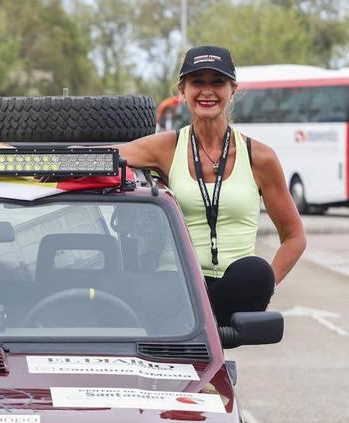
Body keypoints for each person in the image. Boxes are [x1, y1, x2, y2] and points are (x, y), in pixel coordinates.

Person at [119, 45, 306, 326]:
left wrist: (268, 286)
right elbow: (103, 157)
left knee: (256, 272)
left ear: (232, 90)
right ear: (182, 91)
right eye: (197, 82)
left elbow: (294, 237)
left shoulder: (260, 157)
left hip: (237, 285)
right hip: (178, 286)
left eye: (217, 82)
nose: (207, 91)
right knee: (135, 285)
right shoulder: (167, 147)